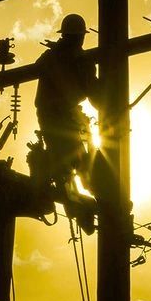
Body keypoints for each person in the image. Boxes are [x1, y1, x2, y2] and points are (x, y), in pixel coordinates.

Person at [33, 13, 99, 193]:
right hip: (55, 115)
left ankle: (84, 190)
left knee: (75, 157)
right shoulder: (70, 59)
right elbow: (92, 91)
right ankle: (78, 191)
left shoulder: (55, 56)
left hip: (61, 115)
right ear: (79, 37)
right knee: (71, 159)